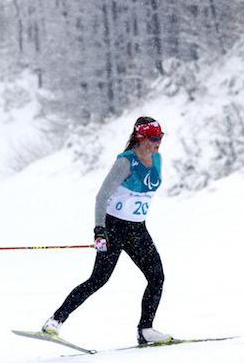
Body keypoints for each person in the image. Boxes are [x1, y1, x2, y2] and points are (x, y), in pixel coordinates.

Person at [41, 116, 172, 345]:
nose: (158, 142)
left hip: (138, 229)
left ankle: (145, 330)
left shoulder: (157, 159)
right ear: (141, 138)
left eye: (160, 137)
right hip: (114, 227)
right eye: (153, 138)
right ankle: (55, 321)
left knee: (156, 276)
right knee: (98, 279)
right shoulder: (125, 162)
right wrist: (99, 230)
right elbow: (102, 196)